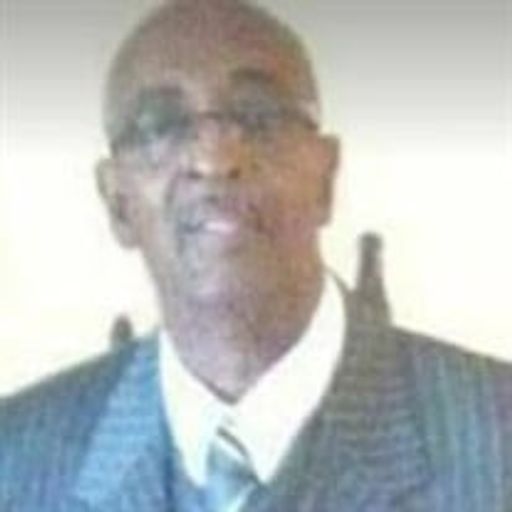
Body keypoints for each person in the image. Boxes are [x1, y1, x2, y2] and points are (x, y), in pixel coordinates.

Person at [1, 1, 511, 510]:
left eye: (258, 117)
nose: (213, 159)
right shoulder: (15, 464)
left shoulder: (496, 439)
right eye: (162, 125)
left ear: (325, 178)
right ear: (117, 203)